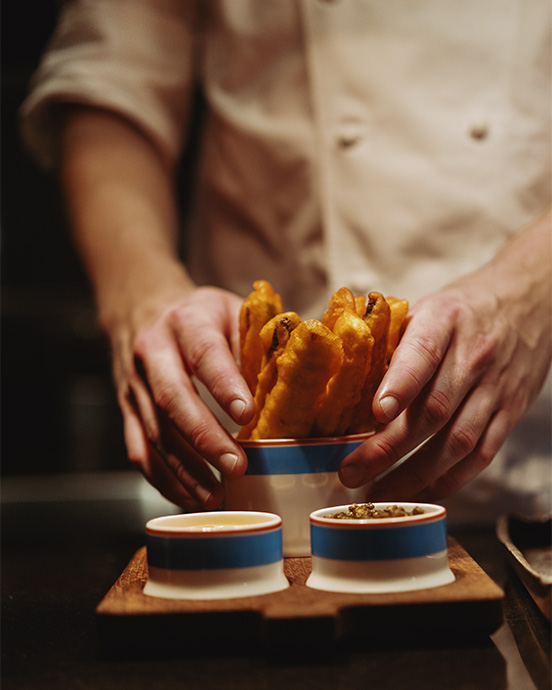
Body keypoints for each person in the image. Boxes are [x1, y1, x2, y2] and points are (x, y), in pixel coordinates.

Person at [21, 0, 551, 523]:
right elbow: (111, 80)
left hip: (525, 470)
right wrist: (140, 295)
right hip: (245, 468)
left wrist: (531, 289)